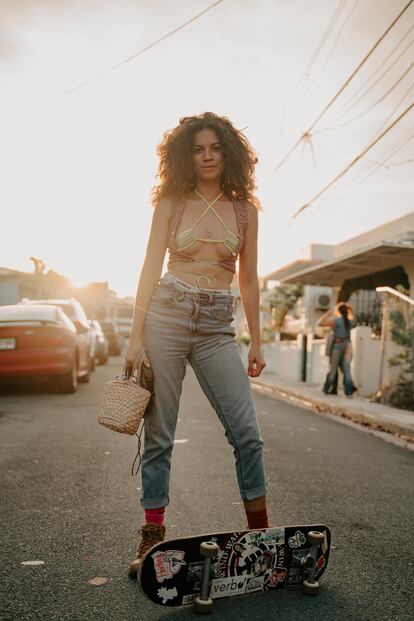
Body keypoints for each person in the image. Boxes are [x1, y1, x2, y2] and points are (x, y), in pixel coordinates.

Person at [124, 112, 269, 578]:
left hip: (215, 325)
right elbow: (148, 268)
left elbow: (248, 278)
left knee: (247, 434)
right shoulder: (171, 202)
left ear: (228, 152)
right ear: (187, 156)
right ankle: (151, 540)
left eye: (215, 148)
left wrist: (257, 341)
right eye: (199, 149)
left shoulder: (245, 210)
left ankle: (260, 539)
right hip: (165, 314)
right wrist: (133, 338)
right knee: (160, 435)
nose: (207, 156)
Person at [317, 302, 355, 398]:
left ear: (338, 311)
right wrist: (350, 309)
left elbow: (320, 323)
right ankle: (349, 393)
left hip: (338, 345)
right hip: (347, 345)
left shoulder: (336, 321)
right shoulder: (349, 321)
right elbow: (353, 317)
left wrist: (329, 313)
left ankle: (326, 389)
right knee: (347, 369)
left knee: (333, 369)